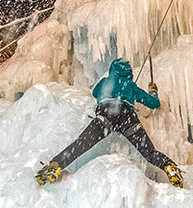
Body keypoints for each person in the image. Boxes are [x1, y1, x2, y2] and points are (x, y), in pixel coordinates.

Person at [35, 58, 184, 187]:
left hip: (107, 115)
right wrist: (153, 91)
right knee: (149, 152)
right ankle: (169, 166)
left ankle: (55, 166)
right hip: (128, 117)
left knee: (81, 144)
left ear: (112, 70)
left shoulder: (106, 81)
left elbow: (95, 93)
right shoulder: (131, 86)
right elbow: (153, 103)